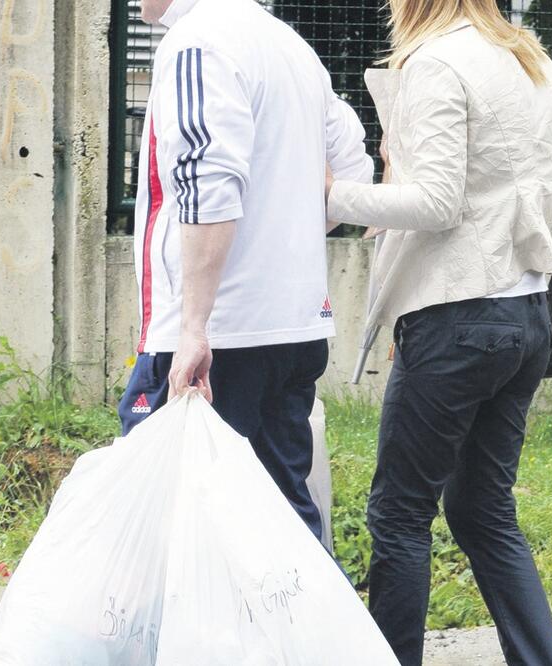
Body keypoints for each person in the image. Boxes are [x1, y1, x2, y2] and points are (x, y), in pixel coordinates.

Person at [325, 0, 552, 664]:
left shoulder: (436, 62)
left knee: (399, 516)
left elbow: (437, 202)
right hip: (529, 313)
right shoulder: (524, 50)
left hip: (460, 315)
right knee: (482, 510)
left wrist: (330, 192)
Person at [118, 0, 373, 542]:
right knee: (282, 517)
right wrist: (281, 239)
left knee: (177, 523)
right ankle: (305, 626)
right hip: (296, 326)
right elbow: (354, 170)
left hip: (220, 334)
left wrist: (193, 328)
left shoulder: (196, 41)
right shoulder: (291, 47)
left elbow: (205, 178)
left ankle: (193, 629)